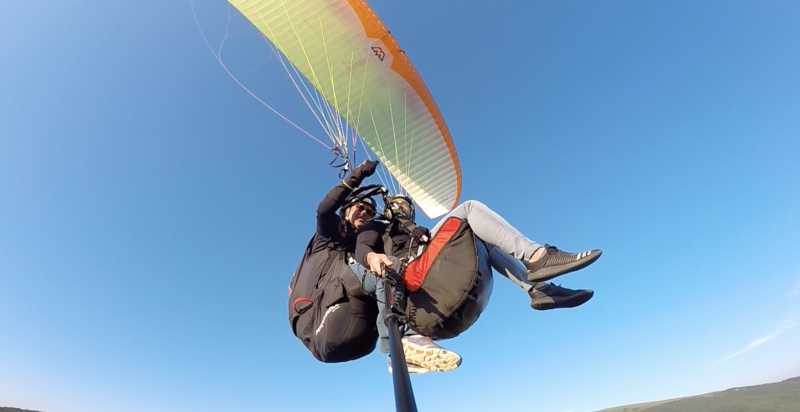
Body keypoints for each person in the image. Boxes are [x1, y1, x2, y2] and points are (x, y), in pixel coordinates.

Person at [355, 196, 602, 373]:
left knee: (480, 234)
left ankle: (538, 289)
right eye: (397, 205)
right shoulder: (379, 227)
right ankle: (538, 256)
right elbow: (362, 248)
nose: (403, 208)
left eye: (406, 205)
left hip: (434, 295)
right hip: (412, 286)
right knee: (469, 209)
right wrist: (372, 257)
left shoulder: (415, 232)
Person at [286, 160, 382, 363]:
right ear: (347, 210)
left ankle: (410, 339)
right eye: (360, 207)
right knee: (376, 273)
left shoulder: (363, 244)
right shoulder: (327, 236)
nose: (365, 213)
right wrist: (357, 175)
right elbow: (323, 211)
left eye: (371, 212)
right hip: (316, 316)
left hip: (357, 334)